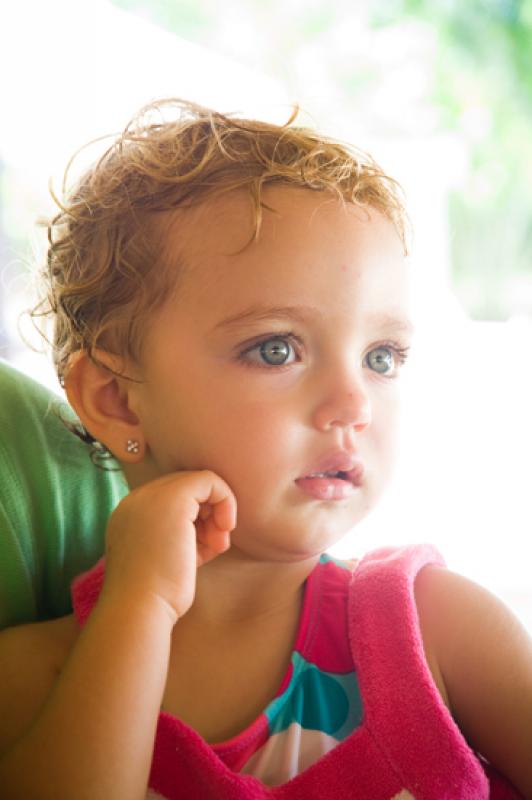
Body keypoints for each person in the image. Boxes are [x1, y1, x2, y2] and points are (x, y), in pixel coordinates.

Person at [0, 99, 530, 800]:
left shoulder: (438, 630)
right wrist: (139, 605)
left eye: (382, 356)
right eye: (275, 349)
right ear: (118, 399)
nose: (353, 405)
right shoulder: (35, 677)